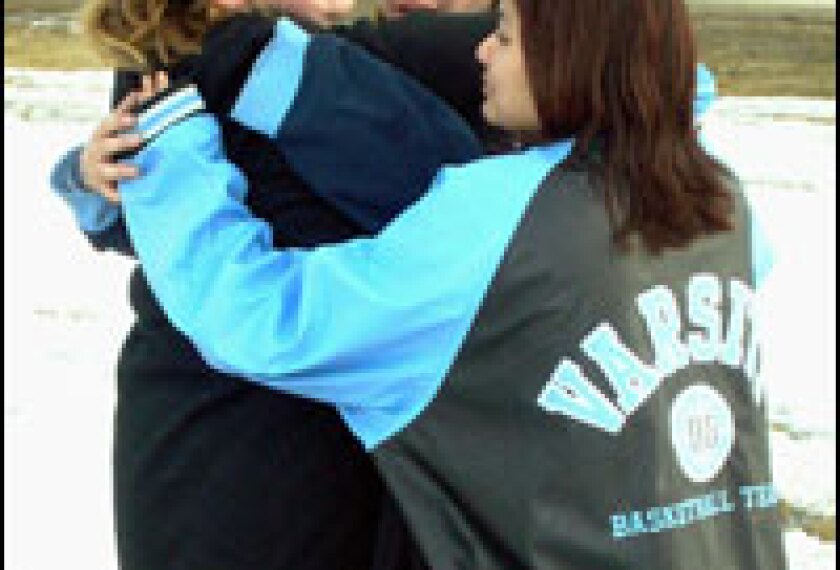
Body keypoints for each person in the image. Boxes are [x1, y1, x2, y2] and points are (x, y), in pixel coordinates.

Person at [107, 0, 787, 568]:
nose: (481, 53)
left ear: (566, 60)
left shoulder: (497, 221)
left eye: (503, 35)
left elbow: (266, 321)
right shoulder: (718, 198)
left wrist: (168, 158)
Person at [50, 1, 500, 569]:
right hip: (266, 445)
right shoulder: (270, 64)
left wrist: (84, 181)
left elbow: (134, 217)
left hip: (190, 431)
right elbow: (462, 199)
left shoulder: (168, 71)